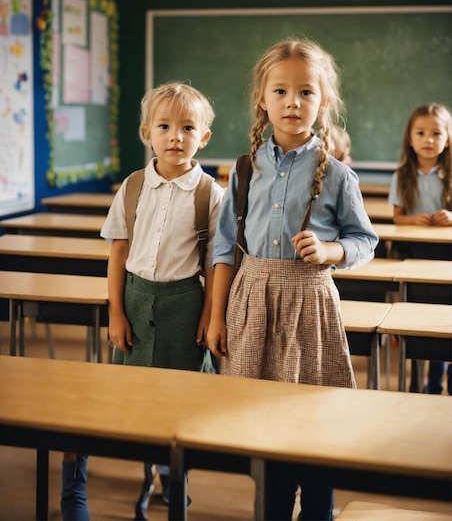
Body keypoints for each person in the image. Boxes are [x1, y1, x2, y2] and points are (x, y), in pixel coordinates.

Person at [207, 37, 378, 521]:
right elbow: (223, 249)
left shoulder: (339, 175)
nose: (292, 102)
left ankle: (318, 510)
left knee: (313, 416)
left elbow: (364, 240)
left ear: (323, 102)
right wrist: (216, 317)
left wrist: (331, 251)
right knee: (263, 422)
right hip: (251, 301)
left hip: (310, 305)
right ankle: (274, 509)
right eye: (280, 92)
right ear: (263, 98)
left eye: (306, 92)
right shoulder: (244, 169)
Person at [60, 82, 223, 521]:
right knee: (130, 394)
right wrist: (115, 312)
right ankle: (126, 473)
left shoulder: (211, 195)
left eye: (188, 127)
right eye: (164, 126)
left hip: (185, 304)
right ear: (146, 132)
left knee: (178, 399)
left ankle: (174, 477)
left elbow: (214, 267)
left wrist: (209, 319)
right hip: (134, 300)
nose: (175, 137)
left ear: (203, 137)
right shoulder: (133, 187)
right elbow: (118, 252)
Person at [388, 103, 452, 395]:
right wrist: (414, 220)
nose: (428, 140)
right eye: (421, 133)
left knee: (444, 322)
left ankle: (439, 378)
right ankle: (417, 382)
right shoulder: (402, 175)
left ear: (447, 139)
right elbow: (398, 217)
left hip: (446, 259)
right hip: (414, 255)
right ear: (410, 138)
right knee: (417, 324)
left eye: (436, 133)